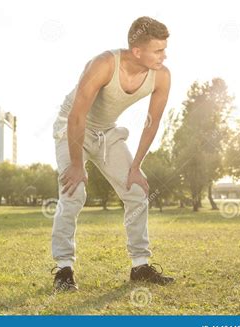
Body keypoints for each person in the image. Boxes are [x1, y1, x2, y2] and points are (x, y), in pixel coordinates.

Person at [51, 16, 174, 292]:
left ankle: (140, 265)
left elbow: (151, 122)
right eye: (158, 50)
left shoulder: (162, 76)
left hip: (107, 132)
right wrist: (75, 164)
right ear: (137, 51)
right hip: (72, 128)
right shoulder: (104, 64)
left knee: (137, 190)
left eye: (165, 49)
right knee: (74, 192)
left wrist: (136, 166)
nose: (164, 56)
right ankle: (63, 269)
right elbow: (76, 116)